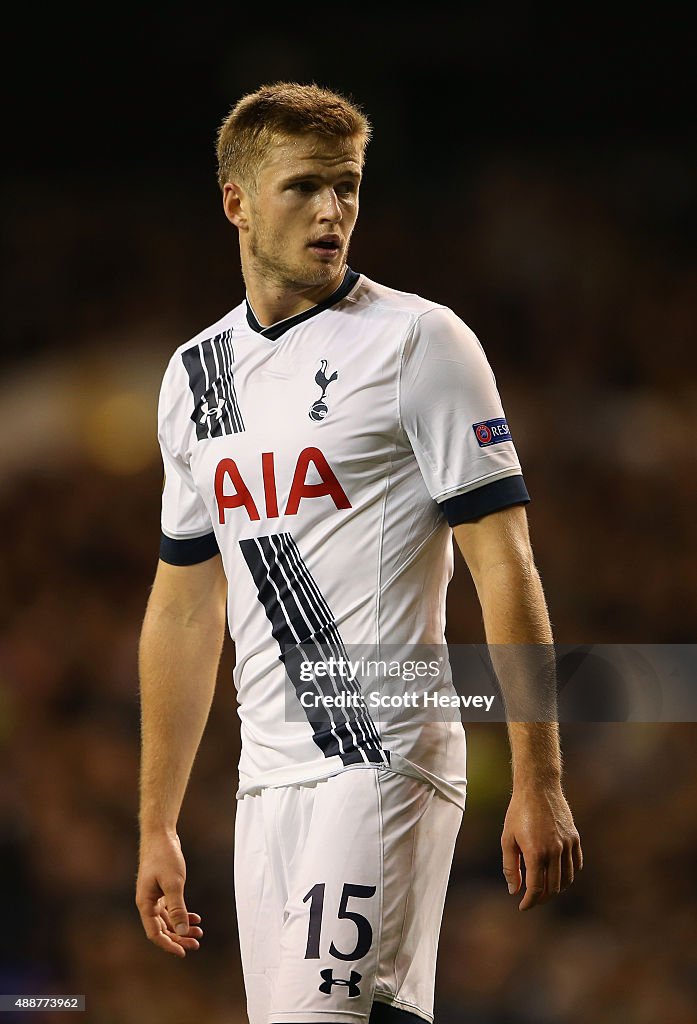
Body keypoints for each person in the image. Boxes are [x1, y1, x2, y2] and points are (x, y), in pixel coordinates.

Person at [136, 82, 582, 1024]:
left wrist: (539, 779)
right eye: (303, 187)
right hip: (268, 780)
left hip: (380, 754)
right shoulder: (194, 377)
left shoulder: (418, 341)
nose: (332, 210)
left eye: (347, 186)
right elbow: (183, 605)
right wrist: (157, 822)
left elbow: (505, 564)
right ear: (237, 203)